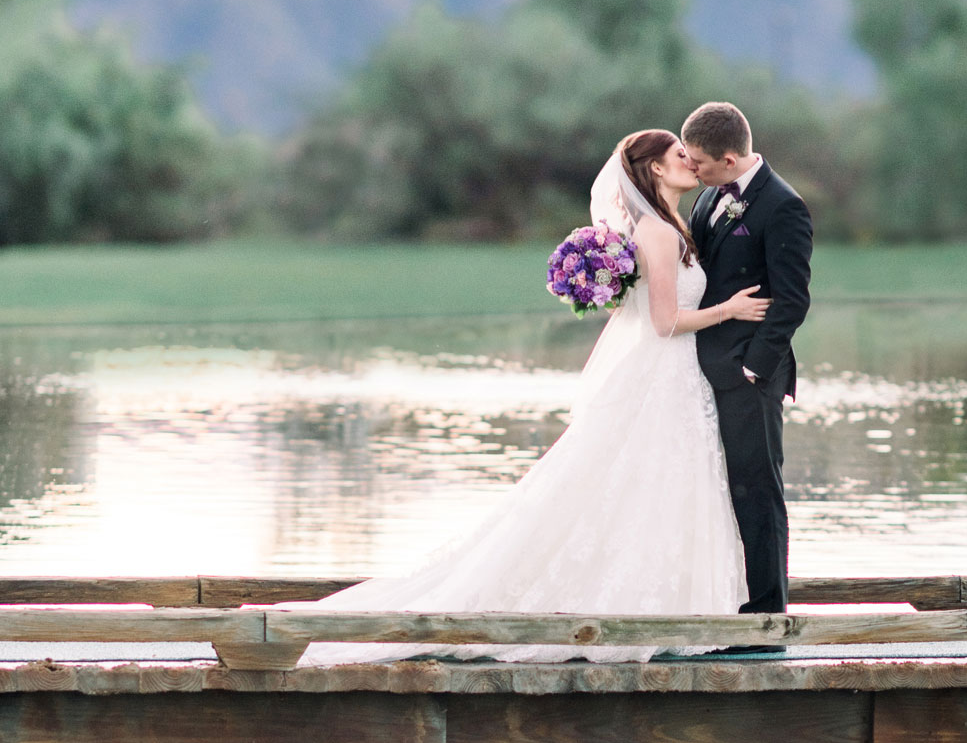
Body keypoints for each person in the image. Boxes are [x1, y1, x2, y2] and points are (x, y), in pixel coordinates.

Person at [297, 130, 768, 660]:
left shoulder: (673, 225)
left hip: (677, 378)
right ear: (656, 169)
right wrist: (729, 310)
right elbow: (663, 322)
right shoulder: (658, 232)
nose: (692, 161)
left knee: (658, 486)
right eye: (680, 155)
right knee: (645, 480)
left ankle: (671, 606)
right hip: (664, 372)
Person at [683, 103, 814, 616]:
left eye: (699, 161)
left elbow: (792, 299)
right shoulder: (708, 197)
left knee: (758, 491)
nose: (692, 168)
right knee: (718, 488)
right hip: (701, 368)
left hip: (750, 376)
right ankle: (726, 597)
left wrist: (753, 367)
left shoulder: (782, 206)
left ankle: (766, 614)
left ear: (731, 159)